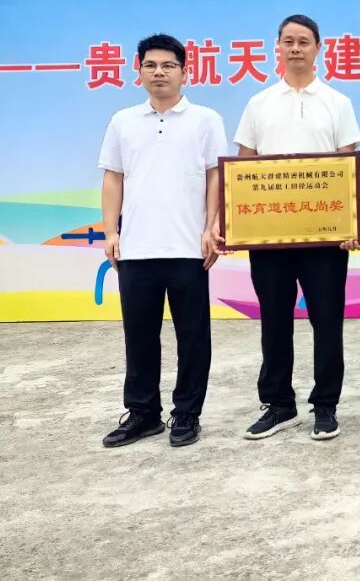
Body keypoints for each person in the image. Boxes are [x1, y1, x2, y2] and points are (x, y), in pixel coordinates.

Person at [232, 14, 360, 442]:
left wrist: (352, 222)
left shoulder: (337, 102)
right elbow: (244, 166)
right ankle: (279, 405)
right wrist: (237, 224)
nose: (295, 48)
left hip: (324, 235)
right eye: (287, 41)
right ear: (278, 47)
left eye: (303, 41)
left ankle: (326, 405)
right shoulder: (259, 103)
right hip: (270, 235)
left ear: (318, 48)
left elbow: (348, 165)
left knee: (327, 320)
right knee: (274, 319)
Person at [99, 33, 228, 448]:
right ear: (138, 71)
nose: (159, 72)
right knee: (138, 336)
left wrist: (211, 227)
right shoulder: (122, 121)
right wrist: (111, 231)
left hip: (189, 247)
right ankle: (143, 414)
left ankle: (187, 414)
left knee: (193, 337)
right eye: (151, 65)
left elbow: (216, 176)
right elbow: (113, 177)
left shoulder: (205, 119)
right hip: (136, 247)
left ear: (184, 72)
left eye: (168, 65)